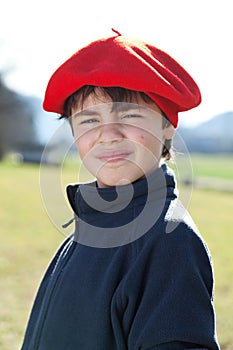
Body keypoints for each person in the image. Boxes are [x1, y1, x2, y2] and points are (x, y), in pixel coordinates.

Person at [21, 29, 219, 349]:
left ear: (167, 126)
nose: (108, 134)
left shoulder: (169, 240)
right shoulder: (92, 222)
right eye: (88, 121)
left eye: (130, 115)